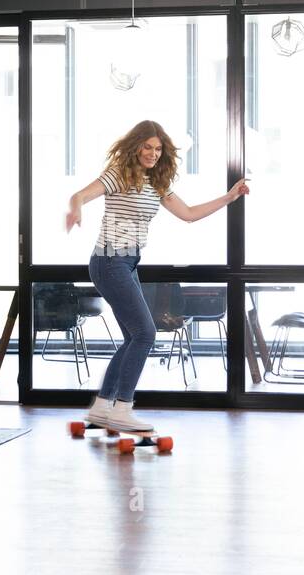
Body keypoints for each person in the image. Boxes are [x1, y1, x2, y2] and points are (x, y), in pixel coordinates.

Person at [65, 119, 249, 433]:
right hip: (109, 261)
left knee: (133, 337)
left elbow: (189, 214)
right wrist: (76, 210)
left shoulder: (157, 183)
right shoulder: (119, 175)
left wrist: (229, 198)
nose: (152, 153)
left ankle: (100, 408)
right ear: (135, 146)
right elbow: (79, 195)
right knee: (146, 334)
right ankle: (122, 409)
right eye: (147, 147)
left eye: (158, 148)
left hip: (127, 264)